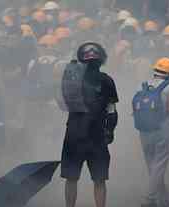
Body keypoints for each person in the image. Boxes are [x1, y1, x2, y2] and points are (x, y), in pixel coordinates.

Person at [59, 42, 119, 207]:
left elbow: (62, 104)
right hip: (96, 136)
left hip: (74, 135)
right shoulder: (107, 80)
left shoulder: (71, 77)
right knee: (99, 180)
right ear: (102, 59)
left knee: (72, 178)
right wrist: (109, 131)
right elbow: (112, 111)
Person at [133, 58, 169, 207]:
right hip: (162, 131)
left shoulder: (142, 85)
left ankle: (164, 199)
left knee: (152, 166)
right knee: (159, 167)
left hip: (144, 131)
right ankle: (148, 199)